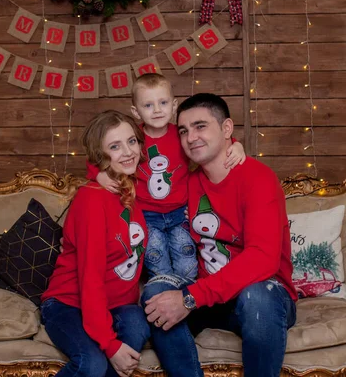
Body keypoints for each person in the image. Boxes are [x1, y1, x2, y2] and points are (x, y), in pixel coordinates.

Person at [141, 93, 297, 377]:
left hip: (263, 298)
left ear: (227, 129)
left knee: (257, 294)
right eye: (184, 130)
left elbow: (263, 260)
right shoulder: (186, 184)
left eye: (200, 126)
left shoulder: (258, 179)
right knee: (155, 293)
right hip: (210, 297)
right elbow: (141, 197)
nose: (190, 138)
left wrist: (190, 297)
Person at [88, 73, 246, 281]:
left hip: (180, 213)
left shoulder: (181, 134)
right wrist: (98, 174)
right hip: (146, 215)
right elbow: (99, 155)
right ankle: (164, 288)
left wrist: (235, 144)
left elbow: (209, 143)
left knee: (186, 252)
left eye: (162, 103)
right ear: (136, 111)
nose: (157, 110)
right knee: (155, 254)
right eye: (148, 105)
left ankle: (186, 295)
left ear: (173, 105)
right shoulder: (134, 139)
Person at [41, 110, 151, 377]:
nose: (127, 152)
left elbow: (170, 143)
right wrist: (109, 344)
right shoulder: (91, 200)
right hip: (69, 302)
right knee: (93, 364)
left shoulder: (129, 186)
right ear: (101, 155)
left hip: (118, 305)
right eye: (115, 146)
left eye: (132, 142)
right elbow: (90, 279)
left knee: (137, 328)